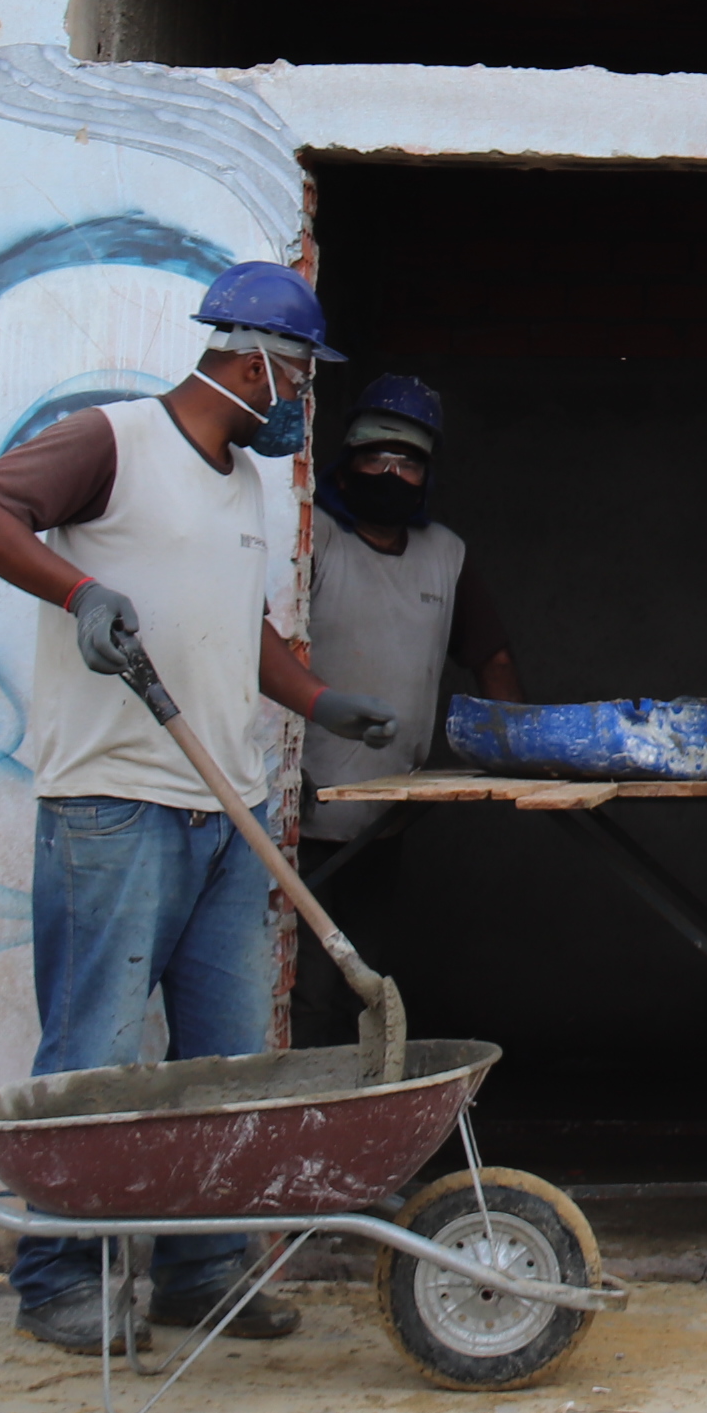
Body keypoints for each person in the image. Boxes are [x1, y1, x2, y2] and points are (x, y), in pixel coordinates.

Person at [0, 260, 403, 1355]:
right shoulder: (113, 441)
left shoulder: (242, 484)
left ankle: (202, 1271)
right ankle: (60, 1279)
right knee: (98, 1056)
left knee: (226, 1061)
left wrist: (317, 698)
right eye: (300, 381)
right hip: (115, 807)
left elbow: (233, 625)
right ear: (252, 367)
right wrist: (79, 590)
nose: (302, 405)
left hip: (225, 811)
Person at [290, 376, 522, 1036]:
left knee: (365, 984)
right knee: (305, 990)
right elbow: (260, 645)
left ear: (428, 474)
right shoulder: (315, 539)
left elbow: (493, 660)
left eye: (408, 462)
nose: (391, 473)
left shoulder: (444, 555)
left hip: (387, 816)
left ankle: (360, 1099)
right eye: (377, 456)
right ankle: (307, 1101)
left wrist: (521, 754)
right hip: (301, 810)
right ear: (347, 460)